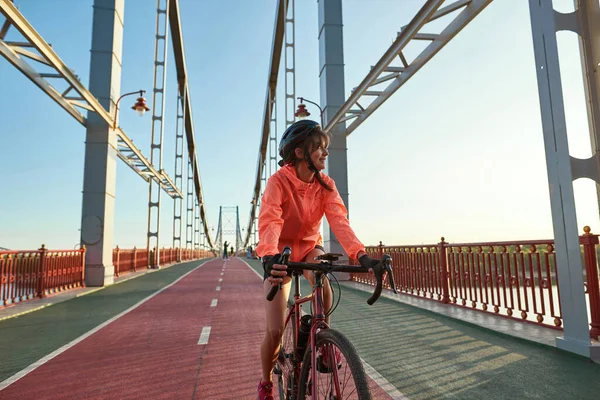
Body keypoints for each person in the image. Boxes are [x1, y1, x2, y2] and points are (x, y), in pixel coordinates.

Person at [255, 119, 380, 400]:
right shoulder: (278, 182)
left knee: (323, 279)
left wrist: (360, 254)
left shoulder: (326, 185)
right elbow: (271, 219)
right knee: (274, 331)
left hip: (311, 247)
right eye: (319, 148)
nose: (325, 153)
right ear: (300, 153)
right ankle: (265, 384)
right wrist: (269, 254)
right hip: (281, 254)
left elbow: (339, 220)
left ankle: (323, 342)